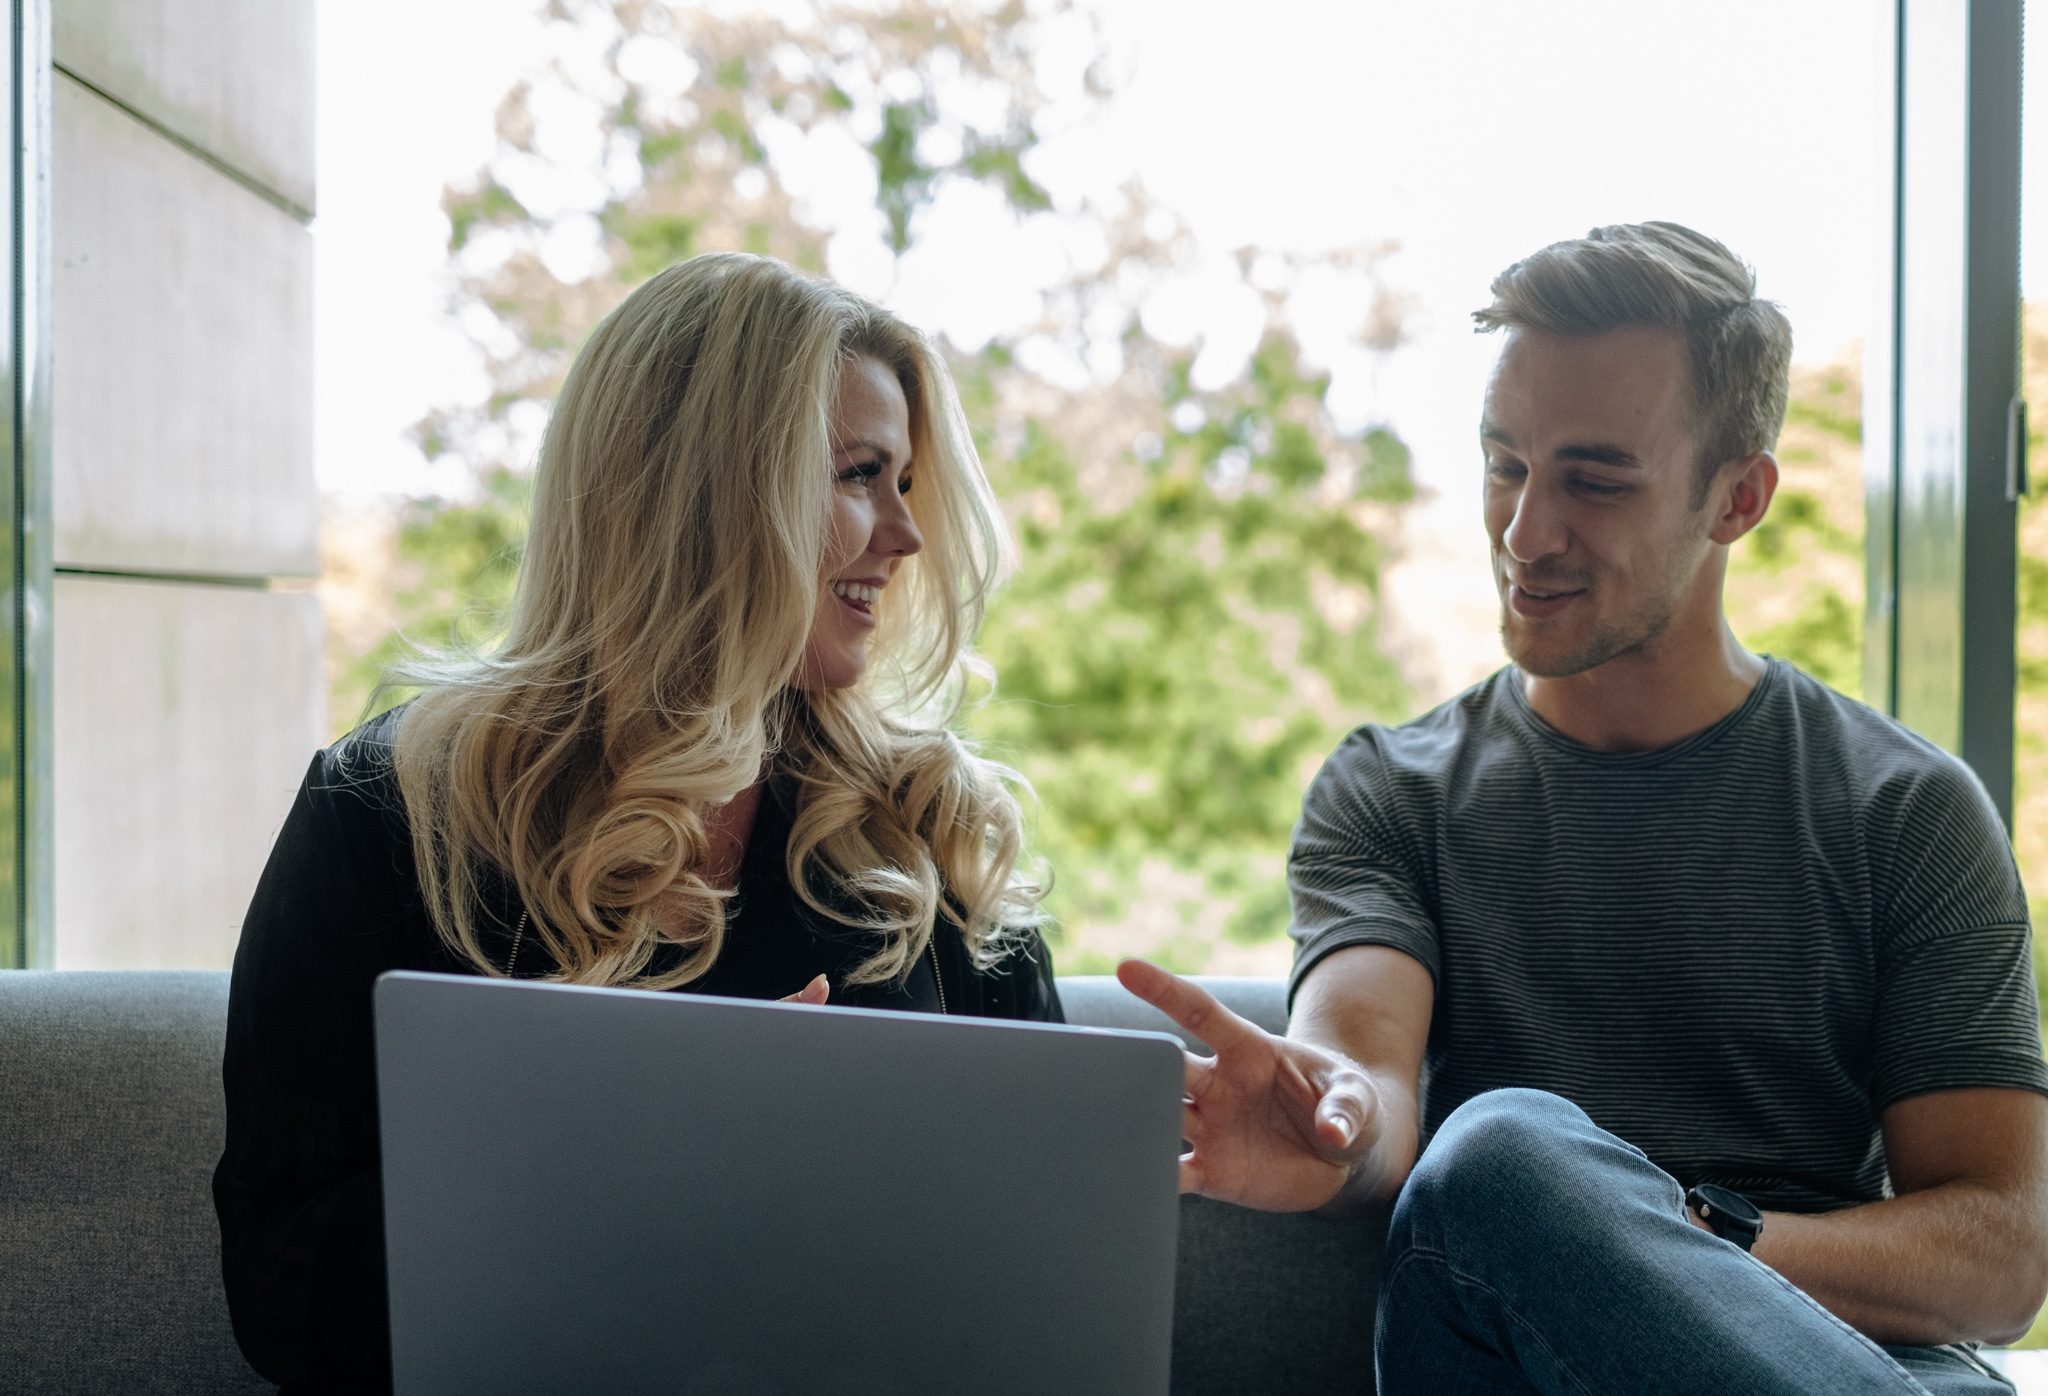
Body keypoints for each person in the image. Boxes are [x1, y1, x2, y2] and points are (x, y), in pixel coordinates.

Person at [1120, 222, 2048, 1394]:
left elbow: (2001, 1260)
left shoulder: (1902, 812)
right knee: (1495, 1159)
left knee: (1515, 1160)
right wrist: (1333, 1120)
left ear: (1737, 497)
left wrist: (1664, 1253)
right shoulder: (1391, 792)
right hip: (1504, 1363)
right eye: (1503, 462)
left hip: (1856, 1369)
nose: (1523, 532)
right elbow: (1363, 1078)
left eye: (1592, 480)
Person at [213, 253, 1061, 1394]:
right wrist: (652, 1156)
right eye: (864, 475)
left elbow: (1049, 1245)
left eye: (907, 482)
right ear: (711, 496)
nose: (904, 537)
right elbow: (283, 1288)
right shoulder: (390, 810)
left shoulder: (918, 819)